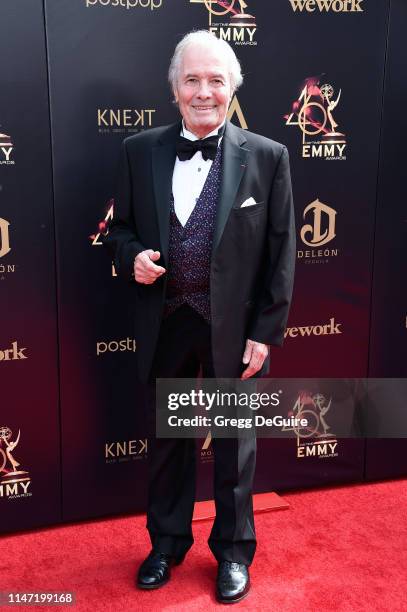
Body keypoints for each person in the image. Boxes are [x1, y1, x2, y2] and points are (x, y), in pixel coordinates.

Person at [102, 30, 295, 604]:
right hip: (166, 320)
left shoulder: (267, 155)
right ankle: (166, 544)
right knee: (169, 439)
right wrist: (129, 256)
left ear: (232, 87)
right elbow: (119, 231)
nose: (203, 91)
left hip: (232, 328)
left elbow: (282, 251)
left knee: (235, 443)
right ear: (174, 89)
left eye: (215, 80)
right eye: (192, 79)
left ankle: (234, 553)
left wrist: (266, 332)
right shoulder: (139, 151)